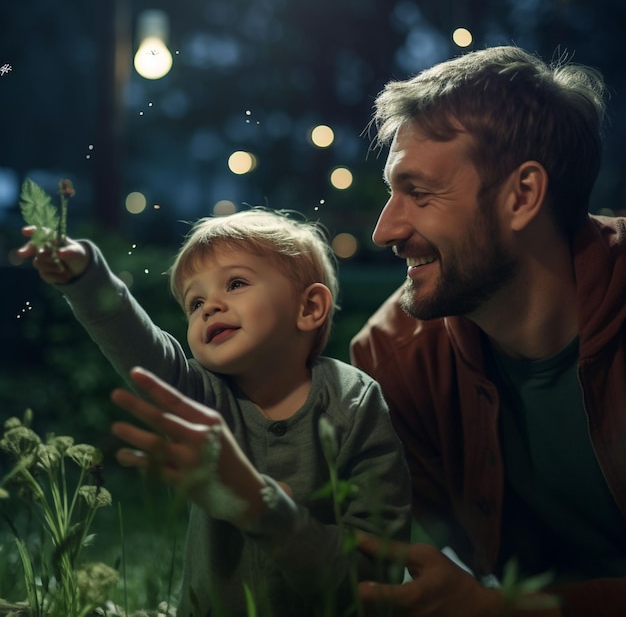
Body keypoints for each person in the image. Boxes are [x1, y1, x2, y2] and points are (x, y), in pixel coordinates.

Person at [19, 208, 411, 617]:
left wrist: (268, 512)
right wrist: (86, 277)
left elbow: (376, 566)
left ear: (309, 307)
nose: (209, 308)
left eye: (236, 283)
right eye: (195, 302)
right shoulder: (199, 395)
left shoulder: (354, 403)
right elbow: (139, 344)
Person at [350, 45, 626, 616]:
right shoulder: (394, 357)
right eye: (391, 192)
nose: (385, 230)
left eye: (420, 194)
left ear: (522, 195)